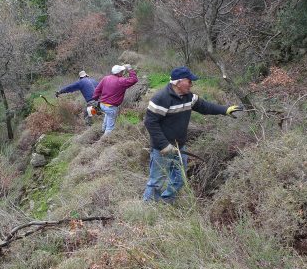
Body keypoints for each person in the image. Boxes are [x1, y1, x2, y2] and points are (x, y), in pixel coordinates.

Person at [143, 66, 243, 203]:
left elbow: (205, 107)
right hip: (162, 149)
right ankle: (148, 208)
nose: (192, 84)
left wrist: (225, 110)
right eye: (189, 81)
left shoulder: (189, 97)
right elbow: (150, 123)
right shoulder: (161, 98)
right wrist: (164, 145)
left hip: (180, 147)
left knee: (179, 179)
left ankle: (166, 202)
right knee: (156, 182)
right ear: (178, 82)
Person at [92, 63, 138, 134]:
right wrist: (130, 69)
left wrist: (95, 99)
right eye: (122, 71)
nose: (123, 72)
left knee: (107, 116)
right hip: (111, 107)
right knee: (110, 128)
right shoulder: (121, 81)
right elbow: (134, 79)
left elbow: (97, 90)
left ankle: (102, 131)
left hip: (102, 105)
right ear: (119, 73)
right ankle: (103, 142)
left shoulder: (106, 78)